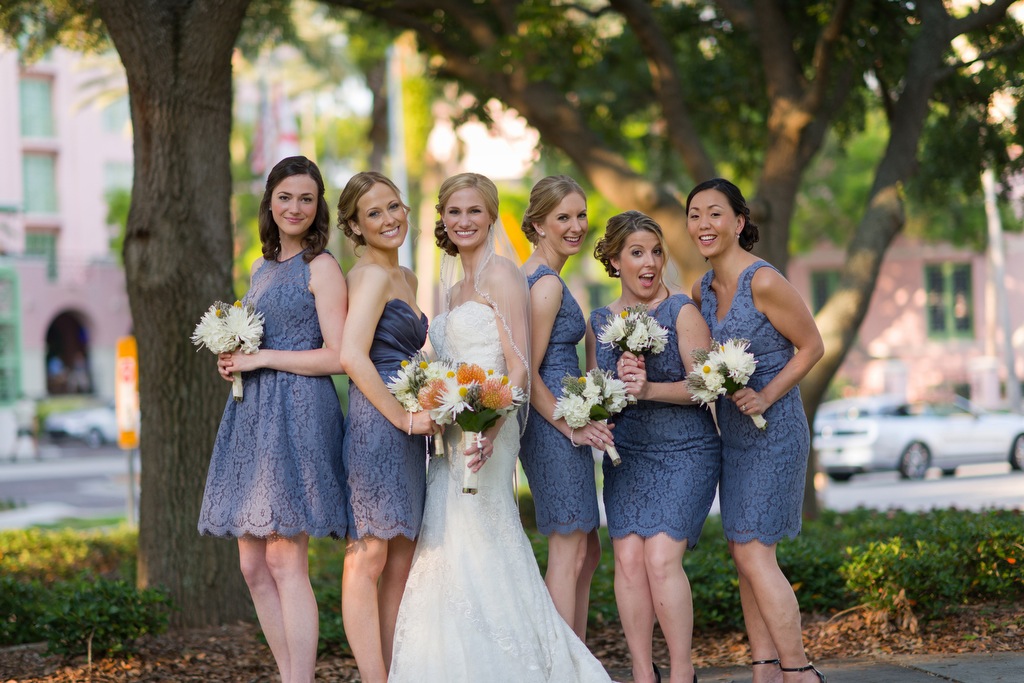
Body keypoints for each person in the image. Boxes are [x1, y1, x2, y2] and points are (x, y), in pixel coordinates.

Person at [388, 172, 613, 682]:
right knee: (449, 545)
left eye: (474, 211)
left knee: (484, 538)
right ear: (443, 219)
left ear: (491, 217)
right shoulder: (449, 287)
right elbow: (445, 363)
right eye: (454, 212)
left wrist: (489, 428)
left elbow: (518, 368)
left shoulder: (506, 276)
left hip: (494, 425)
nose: (464, 221)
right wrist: (430, 399)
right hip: (451, 434)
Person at [198, 155, 349, 683]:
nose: (295, 207)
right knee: (252, 565)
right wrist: (234, 357)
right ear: (270, 202)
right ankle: (289, 675)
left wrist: (262, 358)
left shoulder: (322, 267)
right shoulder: (262, 268)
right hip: (252, 415)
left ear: (318, 206)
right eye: (285, 197)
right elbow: (257, 341)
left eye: (306, 198)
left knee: (286, 562)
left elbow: (338, 356)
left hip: (300, 413)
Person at [685, 178, 826, 683]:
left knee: (753, 550)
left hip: (776, 431)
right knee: (743, 549)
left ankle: (799, 670)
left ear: (739, 223)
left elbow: (812, 347)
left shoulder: (763, 281)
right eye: (695, 214)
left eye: (715, 214)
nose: (704, 224)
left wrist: (767, 394)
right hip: (734, 436)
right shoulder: (700, 289)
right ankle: (763, 668)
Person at [587, 210, 720, 683]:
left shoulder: (681, 311)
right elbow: (597, 394)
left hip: (686, 450)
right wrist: (601, 402)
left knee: (661, 559)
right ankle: (645, 675)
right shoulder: (600, 321)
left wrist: (647, 389)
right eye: (637, 253)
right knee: (627, 561)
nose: (649, 263)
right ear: (615, 261)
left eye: (656, 252)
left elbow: (709, 387)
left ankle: (683, 673)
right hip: (629, 456)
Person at [335, 171, 435, 683]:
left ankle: (393, 673)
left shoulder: (409, 279)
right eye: (374, 213)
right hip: (379, 428)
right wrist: (400, 415)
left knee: (401, 558)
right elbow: (352, 354)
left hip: (411, 429)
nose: (389, 218)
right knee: (368, 555)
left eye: (393, 206)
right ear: (354, 226)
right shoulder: (371, 276)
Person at [518, 175, 610, 639]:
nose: (576, 226)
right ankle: (559, 665)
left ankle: (576, 659)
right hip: (550, 426)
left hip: (563, 418)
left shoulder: (546, 277)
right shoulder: (545, 284)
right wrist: (569, 427)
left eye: (580, 215)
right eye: (563, 218)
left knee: (586, 549)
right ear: (538, 223)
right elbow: (525, 373)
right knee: (569, 547)